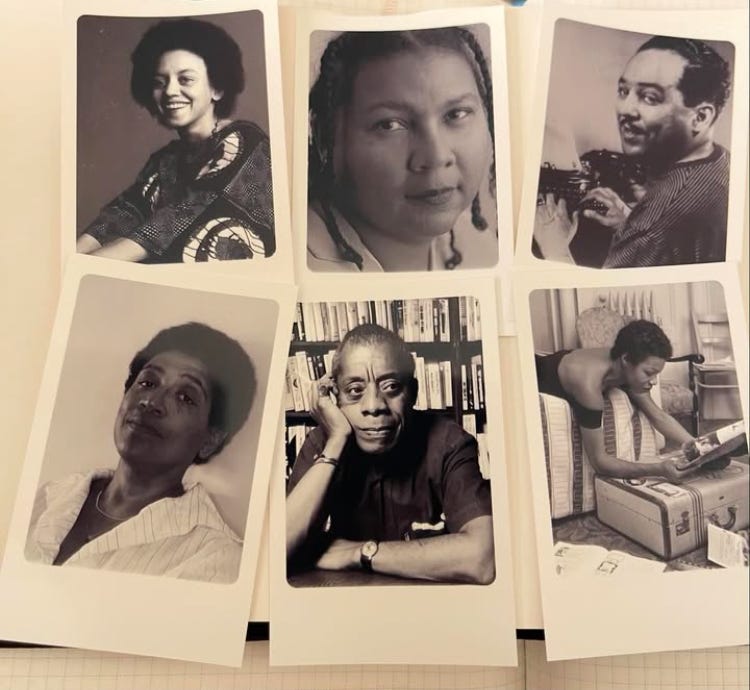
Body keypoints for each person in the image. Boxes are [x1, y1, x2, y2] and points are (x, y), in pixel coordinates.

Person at [26, 322, 256, 583]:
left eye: (185, 397)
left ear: (210, 440)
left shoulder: (215, 558)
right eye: (147, 382)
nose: (152, 402)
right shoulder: (49, 496)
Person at [286, 324, 495, 584]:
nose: (374, 406)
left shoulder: (449, 442)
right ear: (334, 396)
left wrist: (358, 552)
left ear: (413, 393)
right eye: (354, 391)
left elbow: (482, 558)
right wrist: (337, 440)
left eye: (392, 387)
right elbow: (279, 550)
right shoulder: (324, 442)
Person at [76, 18, 274, 263]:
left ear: (217, 88)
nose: (170, 91)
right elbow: (122, 214)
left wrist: (84, 266)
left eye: (185, 79)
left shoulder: (245, 141)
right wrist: (70, 258)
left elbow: (178, 218)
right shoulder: (165, 160)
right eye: (160, 82)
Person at [307, 28, 498, 272]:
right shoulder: (302, 266)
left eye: (456, 114)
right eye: (390, 125)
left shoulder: (480, 248)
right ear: (326, 136)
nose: (436, 156)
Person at [535, 36, 731, 268]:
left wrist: (555, 247)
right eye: (623, 91)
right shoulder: (722, 161)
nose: (626, 109)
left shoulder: (656, 218)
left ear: (701, 117)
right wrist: (629, 223)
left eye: (650, 97)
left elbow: (604, 296)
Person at [535, 320, 704, 482]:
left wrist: (701, 450)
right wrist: (659, 469)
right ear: (625, 360)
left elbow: (658, 416)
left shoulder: (627, 365)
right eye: (648, 373)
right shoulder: (588, 386)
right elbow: (600, 462)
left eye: (656, 374)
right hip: (534, 371)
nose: (653, 381)